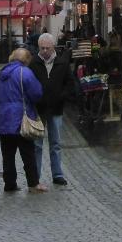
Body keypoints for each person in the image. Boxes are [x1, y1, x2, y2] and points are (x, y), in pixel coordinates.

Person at [0, 47, 46, 193]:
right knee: (27, 153)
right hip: (20, 119)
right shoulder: (25, 72)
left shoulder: (3, 73)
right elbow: (36, 93)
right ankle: (33, 183)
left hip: (4, 119)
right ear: (26, 59)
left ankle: (9, 184)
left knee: (8, 155)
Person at [29, 32, 74, 186]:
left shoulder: (62, 63)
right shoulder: (34, 62)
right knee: (37, 145)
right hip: (39, 109)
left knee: (56, 143)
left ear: (53, 47)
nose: (45, 51)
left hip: (56, 109)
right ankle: (36, 176)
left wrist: (62, 96)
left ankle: (57, 174)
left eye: (48, 48)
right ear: (38, 47)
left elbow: (70, 84)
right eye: (42, 48)